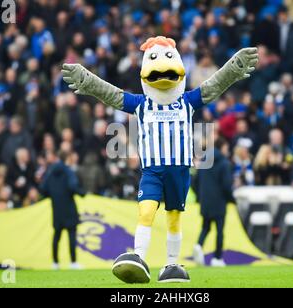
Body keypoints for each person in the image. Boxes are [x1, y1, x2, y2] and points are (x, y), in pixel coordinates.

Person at [62, 36, 258, 283]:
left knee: (174, 216)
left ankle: (172, 264)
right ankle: (138, 258)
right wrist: (88, 82)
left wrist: (233, 69)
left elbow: (213, 86)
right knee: (146, 211)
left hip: (180, 170)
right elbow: (113, 95)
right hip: (152, 170)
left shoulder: (187, 102)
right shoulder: (141, 104)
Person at [40, 150, 86, 270]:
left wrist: (54, 196)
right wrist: (82, 193)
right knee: (71, 235)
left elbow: (43, 189)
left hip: (57, 208)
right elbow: (73, 186)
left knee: (56, 236)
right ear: (68, 158)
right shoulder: (68, 171)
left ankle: (55, 263)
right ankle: (73, 262)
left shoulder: (50, 171)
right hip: (69, 207)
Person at [194, 139, 234, 267]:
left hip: (205, 201)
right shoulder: (224, 163)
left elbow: (195, 182)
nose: (227, 150)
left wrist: (200, 196)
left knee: (205, 227)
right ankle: (217, 258)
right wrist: (231, 199)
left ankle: (198, 245)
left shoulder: (204, 162)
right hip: (219, 202)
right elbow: (227, 185)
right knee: (220, 231)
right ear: (222, 147)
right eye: (226, 147)